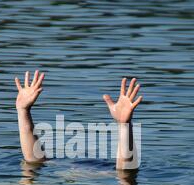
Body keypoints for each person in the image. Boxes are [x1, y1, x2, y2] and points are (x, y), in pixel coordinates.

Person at [15, 70, 143, 169]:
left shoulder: (107, 173)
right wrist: (23, 111)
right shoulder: (58, 167)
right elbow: (34, 160)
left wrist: (124, 125)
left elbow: (125, 171)